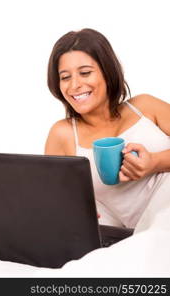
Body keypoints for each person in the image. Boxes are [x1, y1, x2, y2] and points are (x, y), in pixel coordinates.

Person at [44, 28, 170, 231]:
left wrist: (154, 162)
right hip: (138, 237)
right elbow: (50, 202)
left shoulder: (145, 107)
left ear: (107, 72)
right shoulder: (63, 134)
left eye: (85, 73)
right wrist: (71, 210)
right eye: (65, 77)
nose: (74, 85)